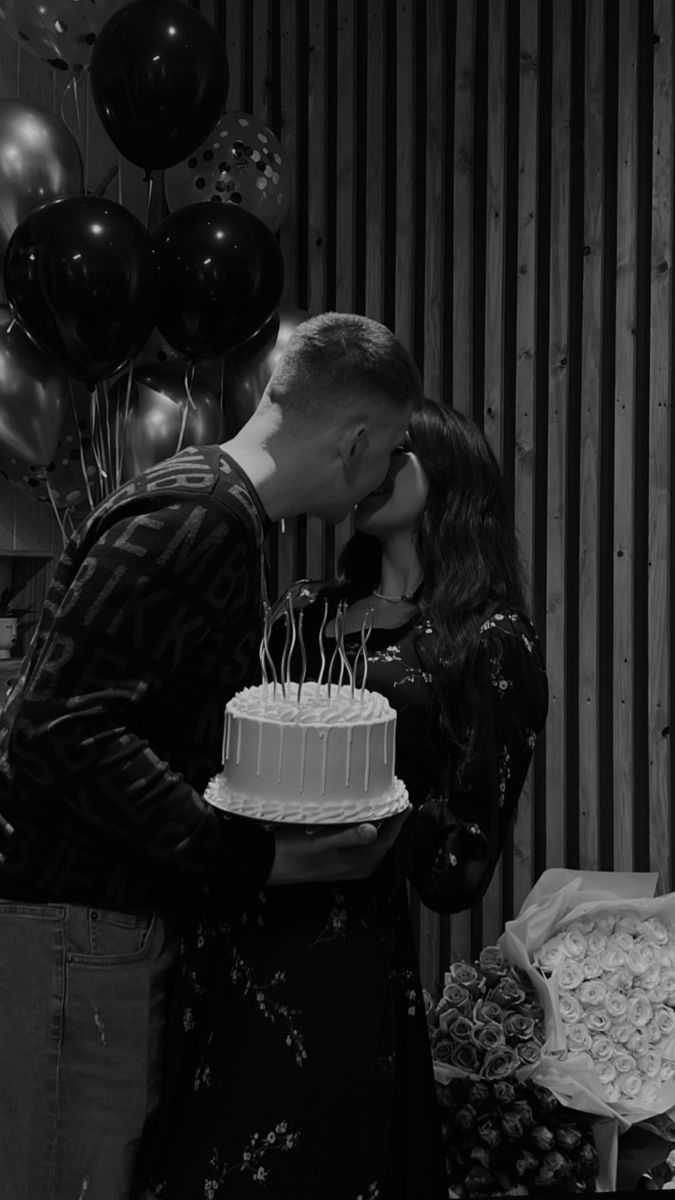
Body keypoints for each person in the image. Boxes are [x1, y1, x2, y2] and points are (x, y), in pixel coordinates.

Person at [0, 312, 421, 1200]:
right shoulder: (202, 516)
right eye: (390, 453)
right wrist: (258, 858)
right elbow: (57, 726)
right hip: (77, 927)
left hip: (91, 927)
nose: (384, 478)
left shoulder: (209, 501)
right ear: (355, 442)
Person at [139, 399, 549, 1199]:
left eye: (394, 455)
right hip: (228, 924)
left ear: (449, 471)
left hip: (340, 959)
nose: (366, 470)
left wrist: (361, 825)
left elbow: (458, 863)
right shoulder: (302, 611)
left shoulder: (489, 638)